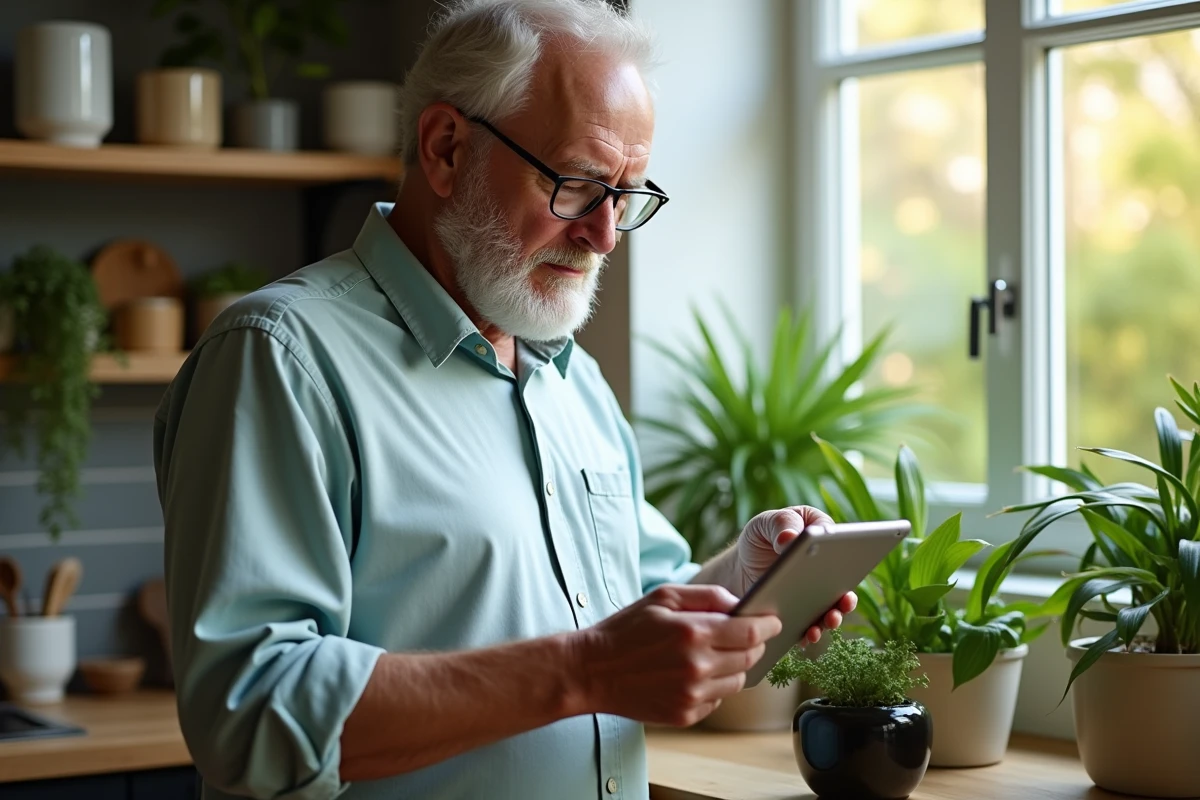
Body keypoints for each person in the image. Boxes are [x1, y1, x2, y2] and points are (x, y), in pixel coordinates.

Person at [152, 1, 856, 798]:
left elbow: (630, 613)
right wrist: (582, 669)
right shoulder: (280, 358)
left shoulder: (571, 380)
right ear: (447, 149)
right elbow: (249, 714)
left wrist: (743, 581)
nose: (604, 236)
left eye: (626, 195)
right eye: (579, 183)